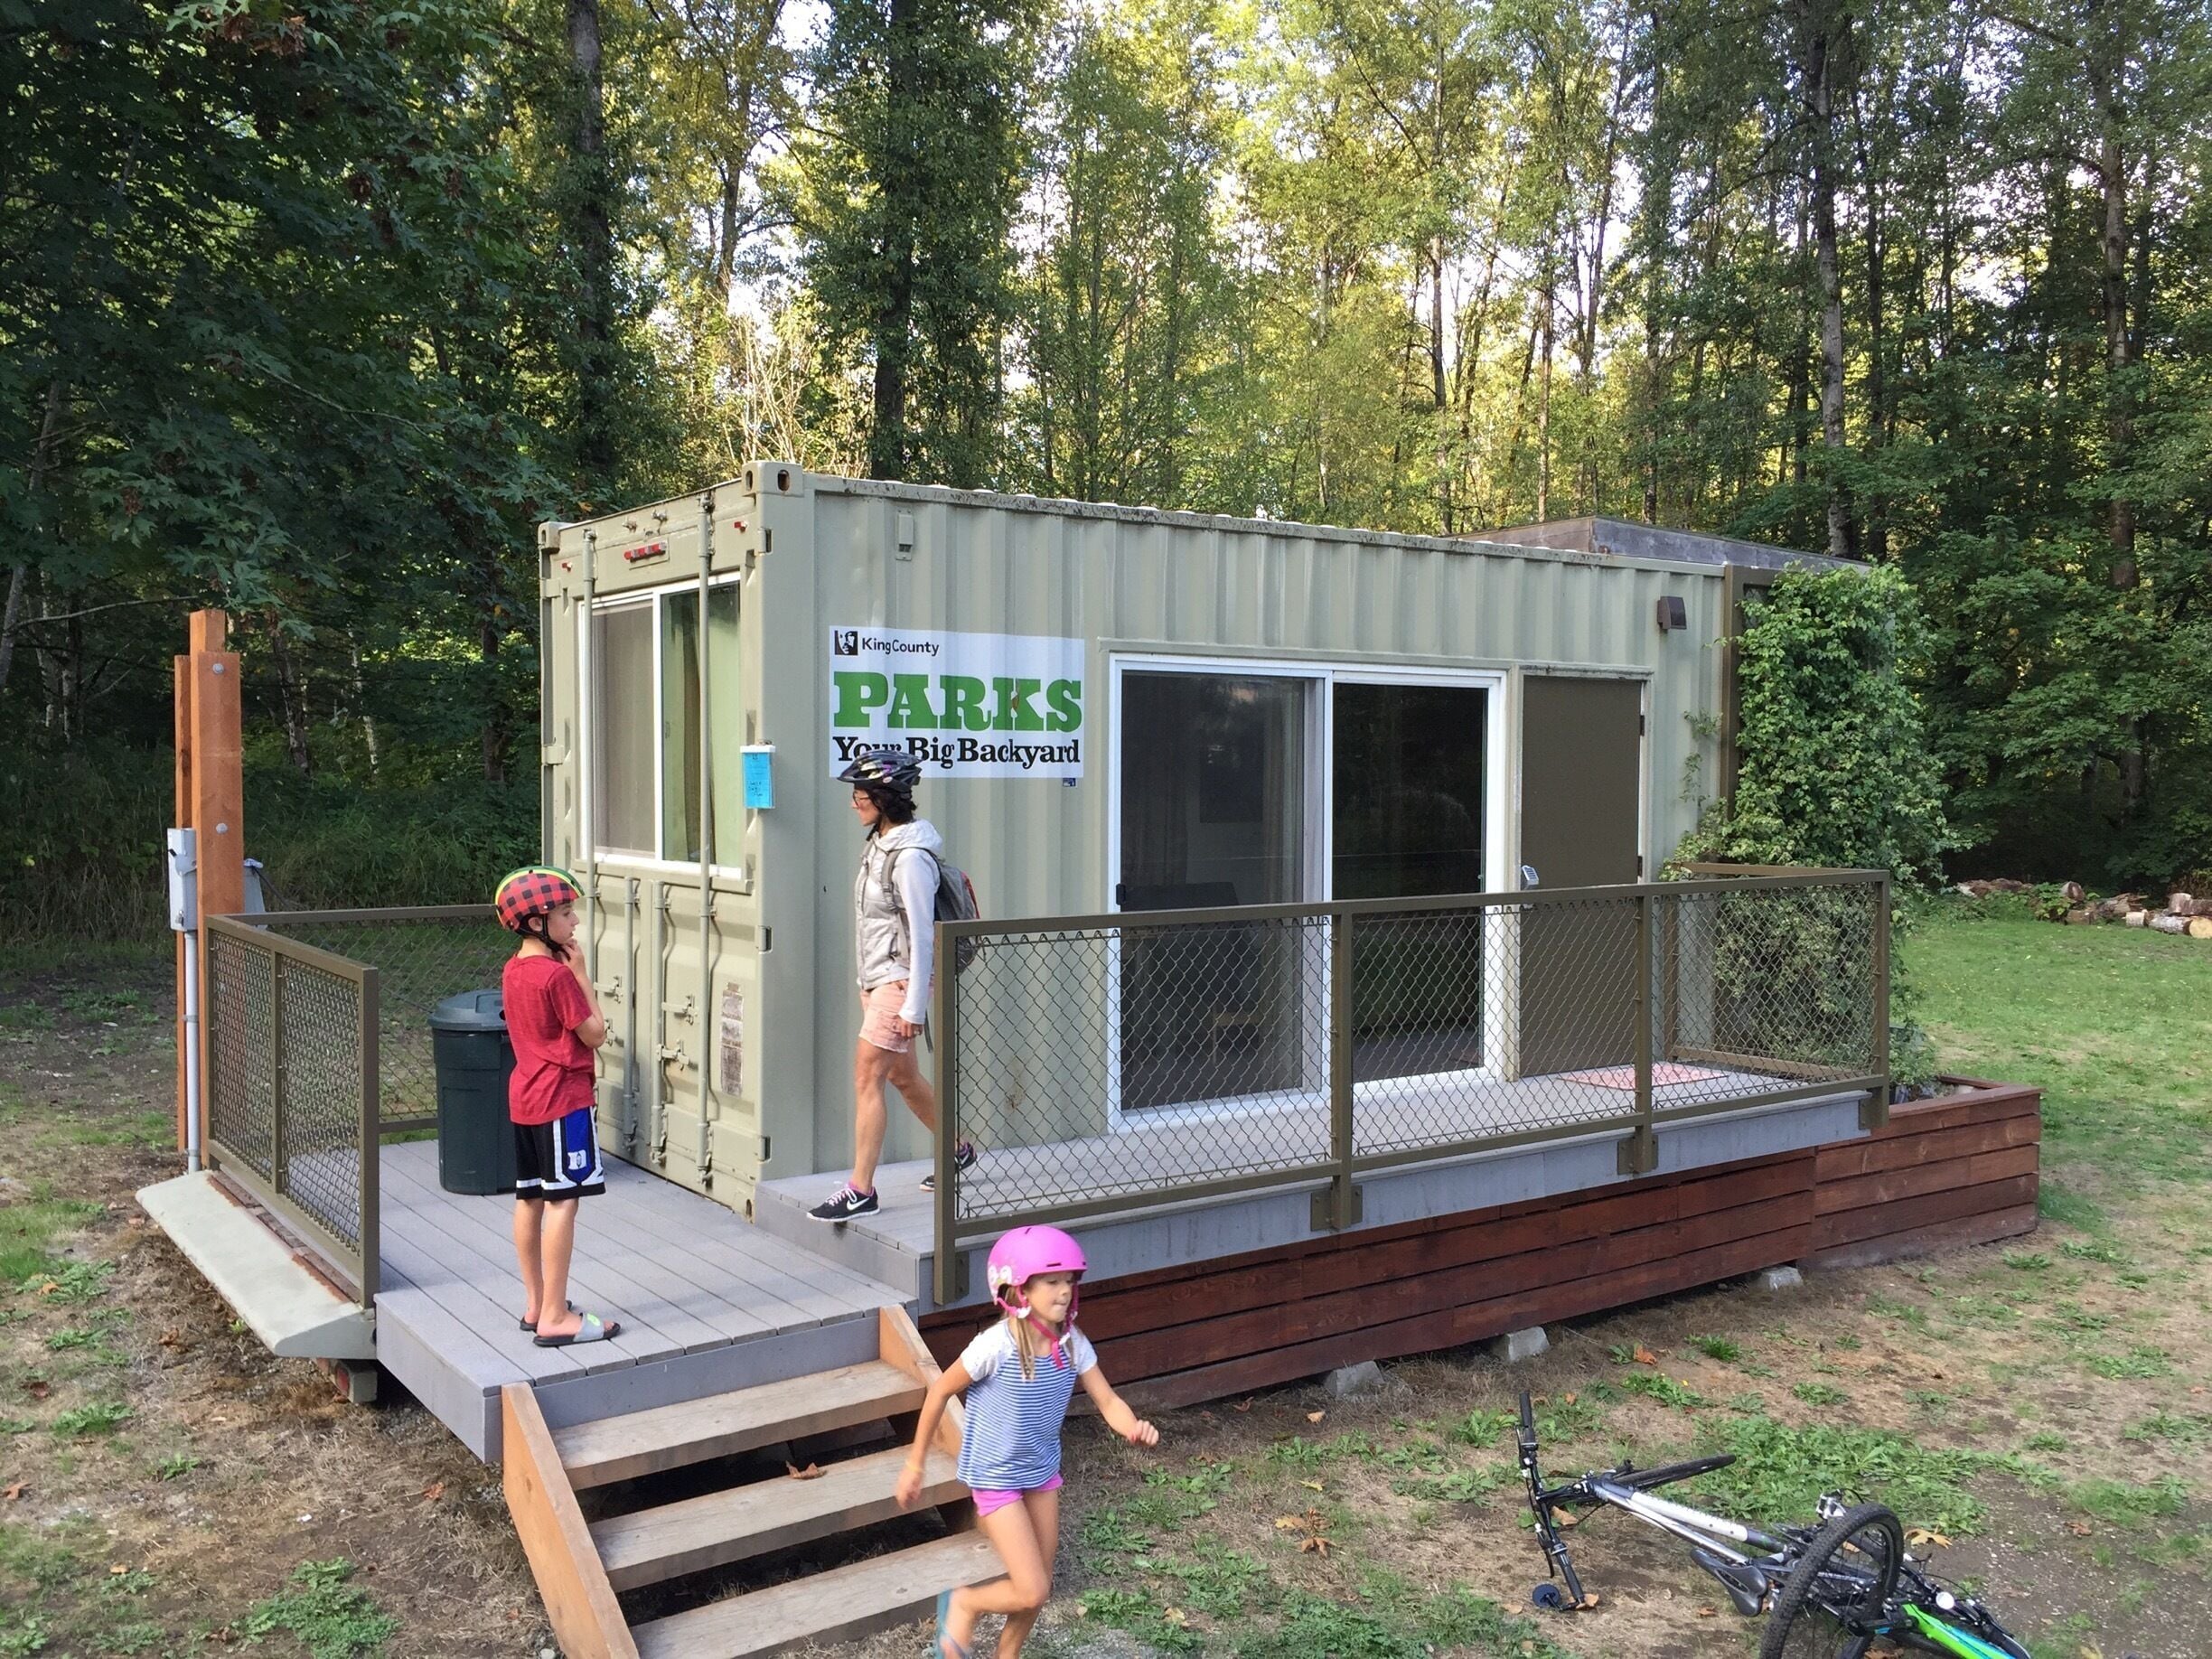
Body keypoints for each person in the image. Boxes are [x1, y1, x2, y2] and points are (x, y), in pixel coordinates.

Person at [895, 1225, 1158, 1658]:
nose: (1065, 1291)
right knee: (1032, 1589)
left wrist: (1131, 1427)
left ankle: (1008, 1654)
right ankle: (965, 1602)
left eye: (1069, 1281)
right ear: (1019, 1290)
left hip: (1040, 1470)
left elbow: (1108, 1400)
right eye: (1051, 1282)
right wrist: (915, 1464)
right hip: (995, 1475)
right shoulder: (995, 1346)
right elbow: (940, 1391)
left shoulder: (1072, 1344)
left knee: (1040, 1584)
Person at [808, 746, 977, 1223]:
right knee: (903, 1077)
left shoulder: (910, 859)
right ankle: (958, 1147)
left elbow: (923, 936)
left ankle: (861, 1190)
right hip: (878, 980)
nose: (853, 802)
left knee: (868, 1077)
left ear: (885, 798)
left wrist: (913, 1008)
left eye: (860, 794)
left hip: (899, 984)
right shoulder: (880, 843)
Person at [493, 867, 623, 1348]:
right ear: (537, 922)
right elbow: (595, 1034)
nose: (575, 922)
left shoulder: (514, 969)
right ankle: (555, 1317)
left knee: (529, 1198)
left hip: (525, 1097)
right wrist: (581, 975)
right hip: (562, 1099)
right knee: (563, 1202)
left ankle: (536, 1304)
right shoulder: (556, 976)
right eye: (566, 913)